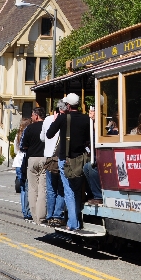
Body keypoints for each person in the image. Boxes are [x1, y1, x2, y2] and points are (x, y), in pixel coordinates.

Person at [46, 92, 91, 232]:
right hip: (81, 159)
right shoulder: (86, 119)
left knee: (69, 191)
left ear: (68, 105)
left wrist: (56, 120)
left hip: (65, 159)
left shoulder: (63, 118)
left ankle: (73, 223)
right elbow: (88, 138)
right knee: (76, 190)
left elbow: (49, 134)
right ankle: (75, 219)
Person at [41, 102, 66, 226]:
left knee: (51, 189)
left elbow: (42, 138)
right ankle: (57, 215)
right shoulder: (65, 120)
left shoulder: (47, 119)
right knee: (61, 188)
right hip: (60, 157)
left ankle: (50, 215)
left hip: (49, 158)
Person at [23, 107, 48, 224]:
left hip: (32, 159)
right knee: (43, 188)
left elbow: (24, 146)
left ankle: (34, 216)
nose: (31, 117)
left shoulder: (29, 128)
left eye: (32, 115)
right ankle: (41, 216)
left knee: (32, 189)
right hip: (44, 158)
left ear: (36, 116)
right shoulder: (47, 126)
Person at [84, 105, 103, 205]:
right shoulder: (90, 124)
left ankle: (98, 196)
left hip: (103, 154)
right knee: (86, 167)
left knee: (92, 166)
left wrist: (95, 120)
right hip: (95, 153)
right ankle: (91, 194)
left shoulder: (102, 123)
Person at [15, 117, 32, 221]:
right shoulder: (28, 135)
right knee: (27, 188)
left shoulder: (17, 136)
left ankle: (24, 210)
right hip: (25, 162)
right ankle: (27, 211)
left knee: (22, 189)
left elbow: (16, 150)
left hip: (18, 162)